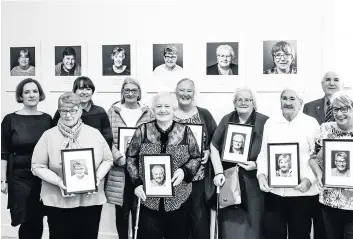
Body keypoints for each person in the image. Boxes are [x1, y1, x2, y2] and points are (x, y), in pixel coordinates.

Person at [31, 92, 113, 239]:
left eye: (73, 110)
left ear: (80, 110)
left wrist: (97, 178)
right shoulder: (48, 136)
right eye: (63, 111)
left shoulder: (94, 134)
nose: (68, 115)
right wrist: (59, 181)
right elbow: (37, 166)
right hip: (57, 201)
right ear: (59, 111)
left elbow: (108, 160)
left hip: (90, 202)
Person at [126, 92, 202, 239]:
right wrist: (136, 183)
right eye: (158, 106)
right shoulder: (142, 130)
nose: (163, 110)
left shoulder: (185, 131)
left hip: (178, 197)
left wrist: (184, 171)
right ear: (153, 110)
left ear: (173, 109)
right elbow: (131, 157)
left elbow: (196, 157)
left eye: (167, 106)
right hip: (148, 198)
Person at [257, 88, 320, 239]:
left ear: (301, 103)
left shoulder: (311, 123)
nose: (287, 102)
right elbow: (263, 155)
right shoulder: (271, 123)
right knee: (273, 235)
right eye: (284, 98)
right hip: (274, 193)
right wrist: (261, 175)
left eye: (292, 99)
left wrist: (309, 180)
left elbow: (318, 156)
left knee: (299, 235)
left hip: (302, 193)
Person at [211, 88, 269, 239]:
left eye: (247, 100)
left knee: (255, 222)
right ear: (234, 103)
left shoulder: (265, 121)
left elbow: (273, 149)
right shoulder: (227, 119)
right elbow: (213, 146)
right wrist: (218, 172)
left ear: (253, 103)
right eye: (239, 100)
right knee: (230, 223)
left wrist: (257, 165)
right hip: (230, 178)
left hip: (254, 180)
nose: (243, 102)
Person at [1, 78, 51, 239]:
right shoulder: (10, 119)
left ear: (40, 95)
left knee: (38, 218)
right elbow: (4, 152)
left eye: (35, 91)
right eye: (27, 92)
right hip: (19, 176)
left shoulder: (47, 119)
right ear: (20, 96)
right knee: (25, 218)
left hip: (42, 176)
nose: (31, 95)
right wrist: (3, 180)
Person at [105, 77, 154, 239]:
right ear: (122, 92)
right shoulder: (113, 111)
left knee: (140, 209)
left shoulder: (148, 112)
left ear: (139, 93)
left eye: (134, 90)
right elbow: (106, 140)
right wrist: (118, 157)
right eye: (127, 90)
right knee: (122, 212)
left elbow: (154, 138)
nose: (130, 93)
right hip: (120, 170)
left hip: (140, 171)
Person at [173, 78, 217, 239]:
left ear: (194, 93)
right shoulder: (168, 114)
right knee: (178, 222)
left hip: (198, 178)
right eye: (182, 90)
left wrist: (207, 152)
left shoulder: (203, 114)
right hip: (174, 178)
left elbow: (215, 140)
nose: (185, 94)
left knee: (199, 221)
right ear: (176, 93)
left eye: (189, 90)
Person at [303, 71, 343, 239]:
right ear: (322, 84)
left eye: (336, 80)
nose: (331, 83)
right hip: (313, 170)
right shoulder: (309, 107)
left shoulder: (348, 105)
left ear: (342, 84)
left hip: (340, 172)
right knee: (318, 220)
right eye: (327, 79)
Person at [309, 91, 353, 239]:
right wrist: (319, 174)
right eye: (335, 109)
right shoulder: (325, 129)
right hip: (329, 200)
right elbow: (313, 158)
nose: (339, 113)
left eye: (344, 109)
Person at [52, 76, 113, 147]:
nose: (84, 92)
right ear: (73, 91)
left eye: (88, 89)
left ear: (92, 92)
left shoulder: (100, 111)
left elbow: (107, 137)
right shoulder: (64, 110)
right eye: (81, 88)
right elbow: (54, 134)